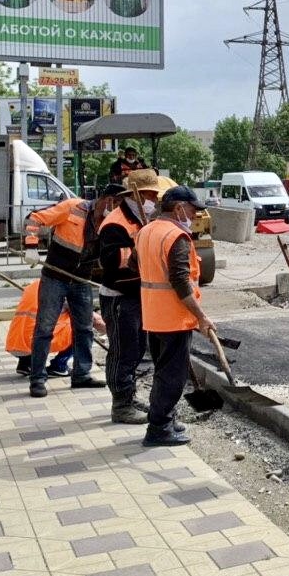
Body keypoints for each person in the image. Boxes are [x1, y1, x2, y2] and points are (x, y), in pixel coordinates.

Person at [136, 185, 214, 446]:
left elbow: (137, 266)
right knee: (172, 376)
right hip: (173, 317)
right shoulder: (176, 237)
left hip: (152, 314)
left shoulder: (145, 231)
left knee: (163, 371)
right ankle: (158, 428)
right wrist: (201, 317)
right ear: (179, 208)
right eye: (192, 210)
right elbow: (181, 281)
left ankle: (165, 419)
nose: (194, 216)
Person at [24, 195, 107, 398]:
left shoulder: (110, 221)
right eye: (111, 202)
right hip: (55, 278)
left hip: (81, 281)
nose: (112, 208)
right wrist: (31, 247)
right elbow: (34, 218)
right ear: (102, 200)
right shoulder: (72, 207)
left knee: (85, 329)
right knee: (45, 328)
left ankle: (81, 374)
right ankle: (37, 379)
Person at [99, 169, 163, 424]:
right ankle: (121, 406)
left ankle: (128, 395)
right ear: (136, 196)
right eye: (150, 196)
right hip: (119, 297)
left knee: (136, 350)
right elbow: (113, 265)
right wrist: (140, 252)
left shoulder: (140, 221)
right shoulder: (115, 223)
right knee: (122, 352)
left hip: (137, 296)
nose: (154, 202)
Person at [8, 281, 74, 378]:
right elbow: (86, 316)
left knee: (32, 326)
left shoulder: (33, 285)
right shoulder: (62, 287)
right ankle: (59, 366)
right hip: (35, 343)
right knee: (80, 331)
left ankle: (26, 363)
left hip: (14, 342)